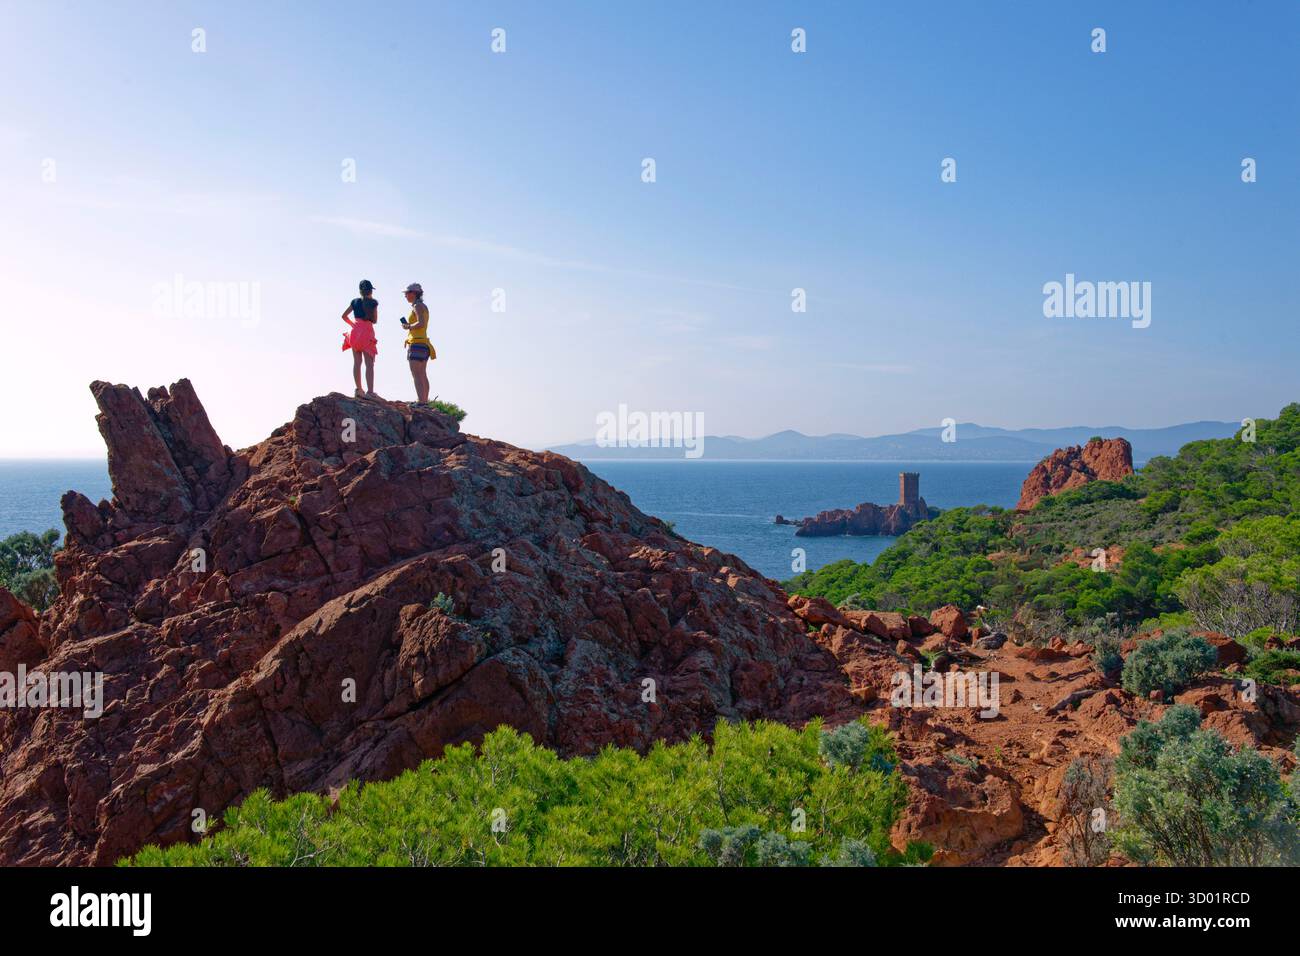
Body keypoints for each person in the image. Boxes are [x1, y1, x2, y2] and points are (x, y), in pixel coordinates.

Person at [341, 279, 379, 398]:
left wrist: (353, 325)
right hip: (366, 333)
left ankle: (358, 389)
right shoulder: (373, 303)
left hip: (354, 332)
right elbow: (375, 320)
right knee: (369, 364)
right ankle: (370, 392)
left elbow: (344, 316)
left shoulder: (354, 301)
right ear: (370, 291)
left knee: (357, 363)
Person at [400, 282, 435, 405]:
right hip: (423, 343)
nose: (405, 296)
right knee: (422, 374)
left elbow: (421, 323)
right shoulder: (422, 306)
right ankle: (424, 401)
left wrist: (408, 326)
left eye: (407, 293)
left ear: (414, 293)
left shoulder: (418, 306)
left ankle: (421, 401)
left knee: (416, 374)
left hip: (417, 343)